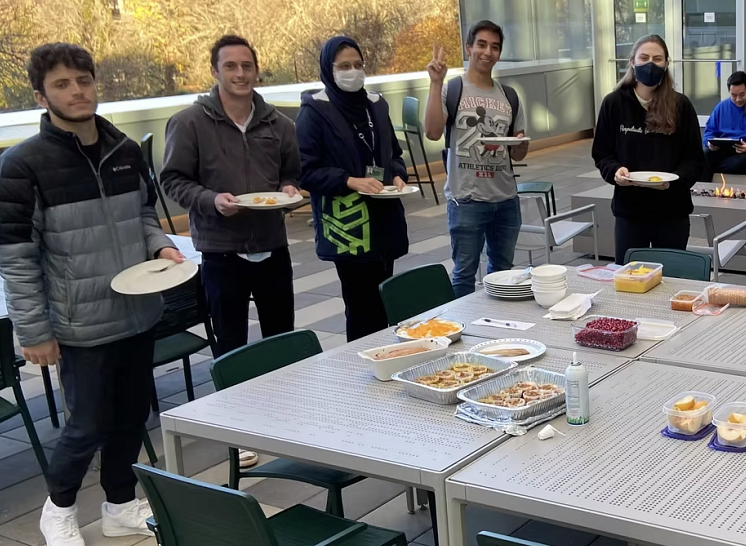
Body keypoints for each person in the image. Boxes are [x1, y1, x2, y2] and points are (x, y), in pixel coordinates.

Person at [0, 43, 186, 546]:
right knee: (87, 422)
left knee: (131, 415)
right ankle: (58, 509)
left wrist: (160, 245)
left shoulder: (124, 150)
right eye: (62, 84)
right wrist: (33, 330)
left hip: (136, 311)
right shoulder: (23, 164)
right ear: (42, 95)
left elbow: (143, 216)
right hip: (79, 321)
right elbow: (14, 257)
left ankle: (119, 505)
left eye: (84, 80)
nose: (77, 91)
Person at [162, 35, 300, 355]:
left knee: (283, 343)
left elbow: (292, 172)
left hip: (272, 246)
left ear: (256, 70)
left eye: (247, 66)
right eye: (231, 66)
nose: (240, 73)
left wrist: (289, 188)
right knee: (230, 346)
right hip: (220, 252)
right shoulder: (188, 123)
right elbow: (173, 180)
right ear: (215, 71)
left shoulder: (279, 124)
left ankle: (284, 400)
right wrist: (211, 201)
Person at [296, 35, 409, 340]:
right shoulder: (314, 112)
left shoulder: (376, 105)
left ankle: (388, 356)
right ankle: (362, 368)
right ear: (328, 69)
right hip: (348, 227)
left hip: (385, 218)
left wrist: (398, 176)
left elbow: (393, 155)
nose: (353, 71)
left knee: (385, 301)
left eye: (358, 64)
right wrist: (348, 180)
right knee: (362, 308)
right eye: (344, 66)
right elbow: (305, 171)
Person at [425, 21, 528, 297]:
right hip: (466, 199)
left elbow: (517, 153)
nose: (487, 52)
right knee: (463, 275)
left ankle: (496, 327)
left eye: (495, 47)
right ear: (469, 48)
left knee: (504, 274)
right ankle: (465, 332)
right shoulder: (452, 89)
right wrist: (435, 83)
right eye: (481, 44)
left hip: (505, 199)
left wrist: (519, 144)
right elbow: (433, 132)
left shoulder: (509, 96)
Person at [592, 34, 705, 264]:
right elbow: (602, 153)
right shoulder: (614, 104)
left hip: (672, 212)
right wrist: (615, 171)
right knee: (630, 281)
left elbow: (695, 160)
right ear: (632, 62)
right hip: (630, 212)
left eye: (657, 58)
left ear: (666, 64)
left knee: (671, 280)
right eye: (644, 58)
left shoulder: (680, 105)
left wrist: (674, 181)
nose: (650, 64)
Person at [702, 71, 746, 175]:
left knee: (741, 163)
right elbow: (709, 131)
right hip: (724, 150)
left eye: (742, 95)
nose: (738, 99)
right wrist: (709, 143)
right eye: (734, 95)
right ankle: (701, 190)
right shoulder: (721, 107)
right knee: (703, 156)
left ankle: (714, 167)